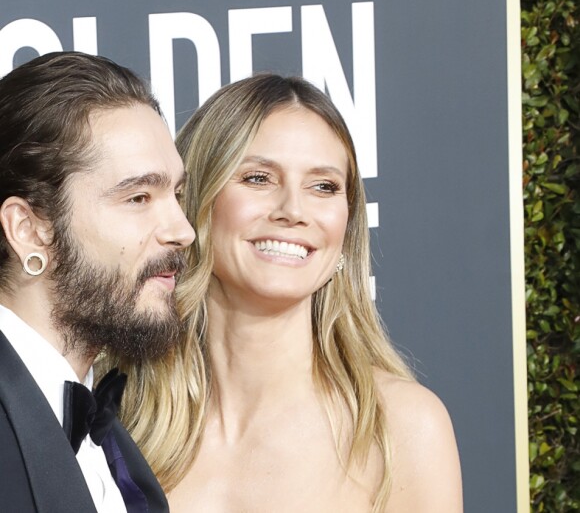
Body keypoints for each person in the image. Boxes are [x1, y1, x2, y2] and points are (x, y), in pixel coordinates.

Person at [112, 74, 463, 512]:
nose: (294, 211)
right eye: (259, 178)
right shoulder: (117, 418)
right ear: (195, 200)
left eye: (324, 186)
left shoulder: (402, 429)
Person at [0, 51, 196, 513]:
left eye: (178, 194)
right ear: (30, 229)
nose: (183, 230)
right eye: (138, 197)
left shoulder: (105, 439)